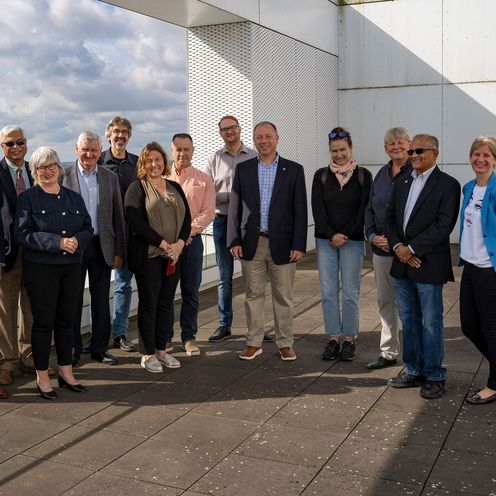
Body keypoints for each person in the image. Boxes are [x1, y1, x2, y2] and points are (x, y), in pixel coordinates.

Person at [14, 147, 93, 400]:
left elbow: (87, 228)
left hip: (71, 268)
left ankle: (66, 372)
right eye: (41, 168)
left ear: (59, 168)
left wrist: (75, 241)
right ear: (34, 172)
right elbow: (22, 234)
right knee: (43, 323)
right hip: (41, 269)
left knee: (67, 321)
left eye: (52, 166)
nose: (47, 171)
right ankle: (42, 376)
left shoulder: (73, 197)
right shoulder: (28, 198)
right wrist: (57, 243)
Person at [386, 134, 460, 400]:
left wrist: (412, 249)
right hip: (402, 263)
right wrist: (398, 249)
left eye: (420, 150)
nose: (414, 155)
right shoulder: (403, 181)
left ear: (435, 153)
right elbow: (390, 218)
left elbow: (444, 225)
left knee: (432, 323)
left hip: (427, 263)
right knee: (409, 319)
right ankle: (414, 369)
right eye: (412, 151)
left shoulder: (448, 185)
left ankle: (435, 375)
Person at [227, 121, 307, 361]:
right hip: (252, 242)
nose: (263, 141)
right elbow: (234, 207)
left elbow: (300, 210)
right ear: (254, 141)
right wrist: (234, 240)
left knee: (283, 296)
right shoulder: (244, 169)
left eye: (268, 136)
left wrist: (299, 244)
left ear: (277, 138)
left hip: (283, 244)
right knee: (253, 295)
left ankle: (285, 342)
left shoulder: (293, 169)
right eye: (259, 137)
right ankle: (254, 342)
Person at [125, 142, 191, 373]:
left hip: (174, 256)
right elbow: (136, 223)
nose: (154, 164)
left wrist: (179, 244)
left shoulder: (174, 186)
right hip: (150, 257)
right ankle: (147, 353)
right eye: (149, 160)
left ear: (164, 161)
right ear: (143, 163)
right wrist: (163, 244)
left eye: (158, 159)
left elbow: (187, 219)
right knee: (149, 305)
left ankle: (162, 350)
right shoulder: (137, 188)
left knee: (166, 304)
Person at [63, 131, 126, 366]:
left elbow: (118, 217)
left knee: (101, 299)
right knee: (73, 299)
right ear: (76, 149)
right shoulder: (63, 175)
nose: (89, 154)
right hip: (74, 247)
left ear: (100, 152)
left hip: (102, 245)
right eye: (85, 149)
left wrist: (119, 250)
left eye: (94, 150)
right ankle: (72, 349)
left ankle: (100, 347)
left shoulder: (110, 177)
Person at [312, 127, 372, 362]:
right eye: (335, 151)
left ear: (351, 149)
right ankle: (333, 338)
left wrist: (345, 234)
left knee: (350, 293)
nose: (339, 155)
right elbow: (318, 209)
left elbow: (364, 210)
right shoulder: (321, 175)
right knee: (328, 292)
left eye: (343, 150)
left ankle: (349, 339)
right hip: (326, 241)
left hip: (352, 241)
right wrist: (331, 234)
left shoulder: (363, 176)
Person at [205, 116, 257, 342]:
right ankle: (224, 324)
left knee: (252, 276)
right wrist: (231, 197)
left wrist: (239, 198)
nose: (229, 132)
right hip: (223, 222)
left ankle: (255, 326)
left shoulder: (254, 156)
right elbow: (206, 195)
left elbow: (259, 191)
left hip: (248, 224)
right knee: (224, 277)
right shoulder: (214, 159)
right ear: (220, 133)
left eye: (232, 127)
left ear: (239, 129)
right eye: (224, 129)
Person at [364, 127, 411, 369]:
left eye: (400, 142)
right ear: (385, 148)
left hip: (407, 252)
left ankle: (415, 356)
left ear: (409, 145)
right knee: (385, 302)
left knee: (409, 305)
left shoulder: (416, 172)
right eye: (390, 143)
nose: (395, 147)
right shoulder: (381, 175)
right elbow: (370, 209)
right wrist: (371, 235)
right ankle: (389, 352)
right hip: (382, 251)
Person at [167, 133, 215, 355]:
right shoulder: (162, 176)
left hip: (192, 244)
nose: (182, 154)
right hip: (166, 246)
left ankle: (189, 337)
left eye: (187, 149)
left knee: (190, 292)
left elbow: (207, 212)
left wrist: (185, 235)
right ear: (172, 150)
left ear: (193, 151)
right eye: (178, 149)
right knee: (165, 293)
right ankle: (165, 338)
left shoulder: (204, 179)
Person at [459, 136, 496, 405]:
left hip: (489, 269)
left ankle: (494, 384)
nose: (480, 159)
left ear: (494, 159)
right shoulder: (468, 187)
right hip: (470, 266)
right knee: (470, 326)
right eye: (476, 154)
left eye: (486, 155)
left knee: (491, 328)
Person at [100, 116, 139, 352]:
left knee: (124, 285)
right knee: (100, 287)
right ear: (108, 134)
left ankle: (120, 333)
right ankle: (98, 335)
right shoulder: (99, 162)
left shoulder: (137, 163)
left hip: (130, 234)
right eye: (116, 131)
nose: (120, 135)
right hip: (104, 233)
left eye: (125, 131)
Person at [0, 125, 35, 388]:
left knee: (31, 307)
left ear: (26, 143)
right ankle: (7, 361)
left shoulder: (36, 171)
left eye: (19, 142)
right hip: (7, 253)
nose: (15, 147)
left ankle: (28, 355)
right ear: (2, 146)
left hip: (35, 252)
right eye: (9, 143)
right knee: (6, 309)